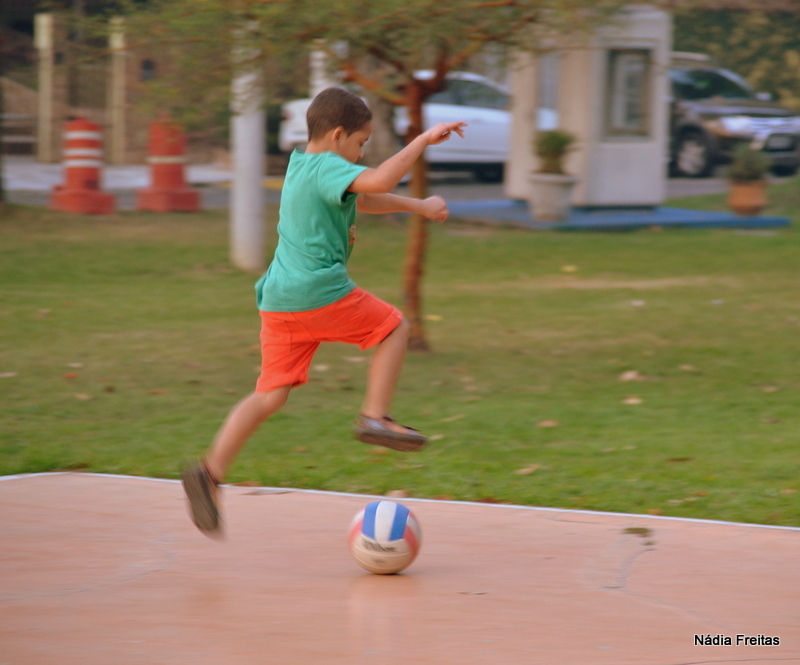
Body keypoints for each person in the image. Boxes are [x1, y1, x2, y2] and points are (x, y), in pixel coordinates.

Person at [181, 87, 466, 536]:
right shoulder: (328, 166)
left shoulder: (302, 167)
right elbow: (379, 182)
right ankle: (375, 415)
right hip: (317, 291)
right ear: (337, 136)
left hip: (279, 301)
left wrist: (419, 207)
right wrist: (423, 140)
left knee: (270, 395)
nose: (362, 153)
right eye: (361, 143)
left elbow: (367, 199)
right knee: (395, 327)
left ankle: (208, 473)